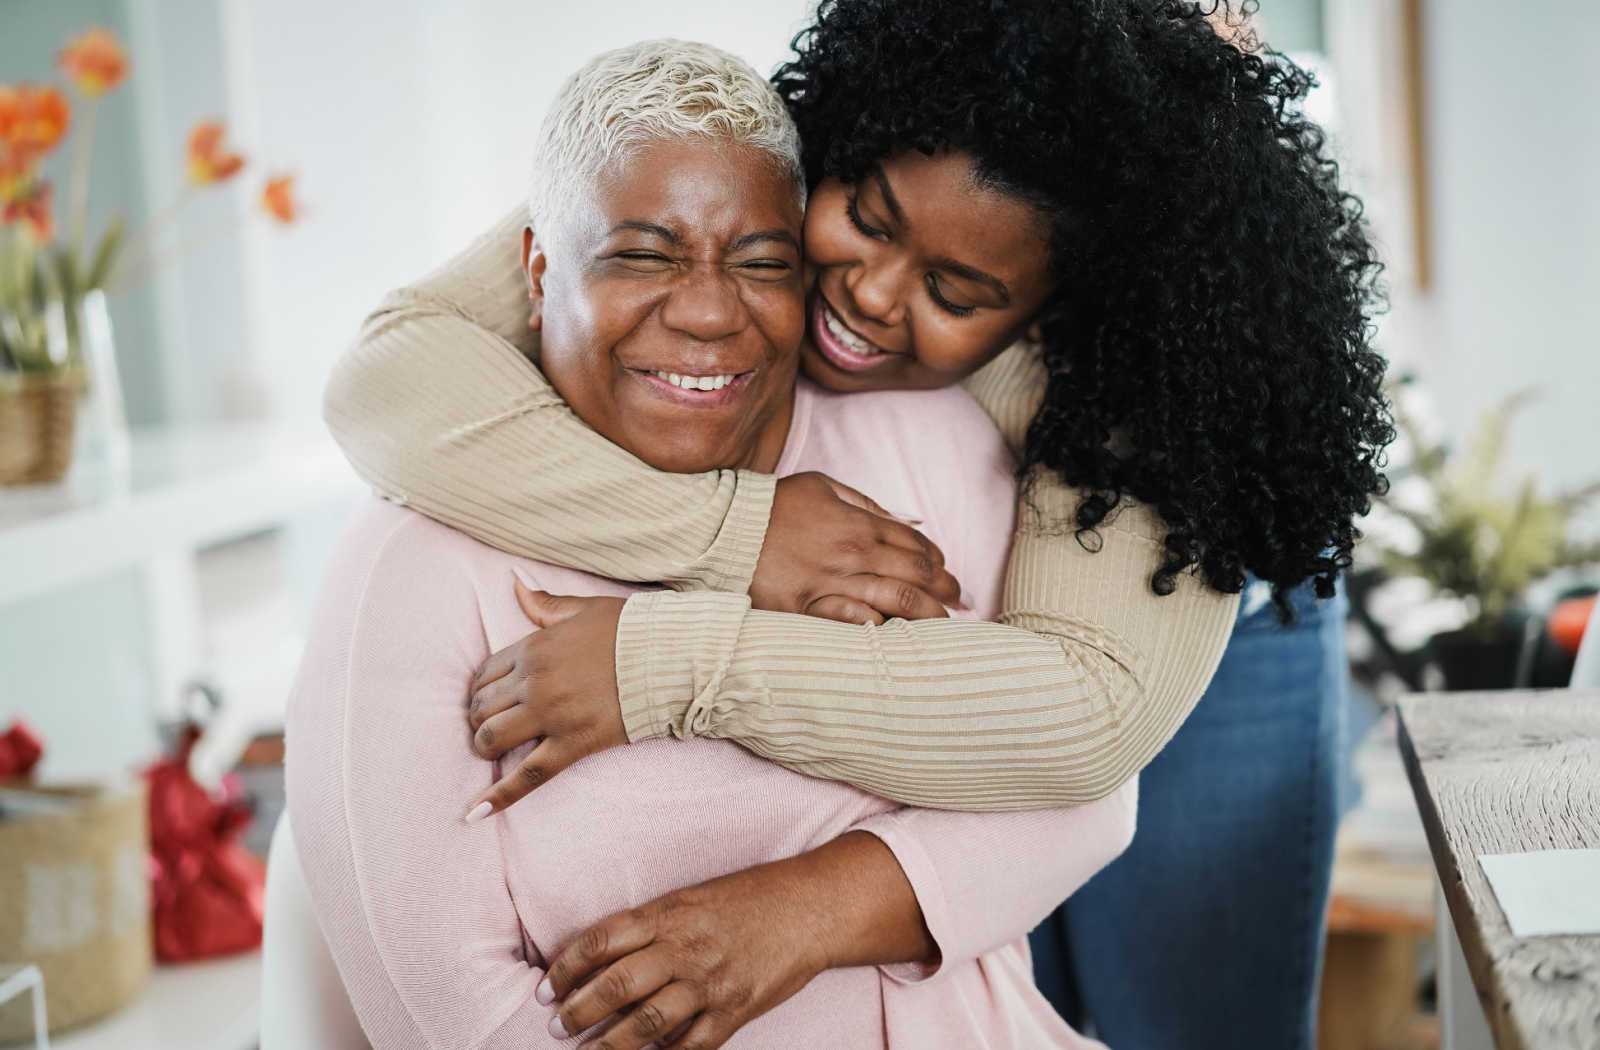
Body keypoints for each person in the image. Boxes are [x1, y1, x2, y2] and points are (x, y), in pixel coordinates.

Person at [322, 2, 1393, 1046]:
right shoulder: (779, 162)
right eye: (867, 219)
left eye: (956, 288)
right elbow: (388, 375)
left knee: (1192, 1016)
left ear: (1054, 314)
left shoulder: (1147, 366)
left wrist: (663, 666)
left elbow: (1083, 728)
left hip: (1168, 624)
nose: (870, 295)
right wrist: (737, 534)